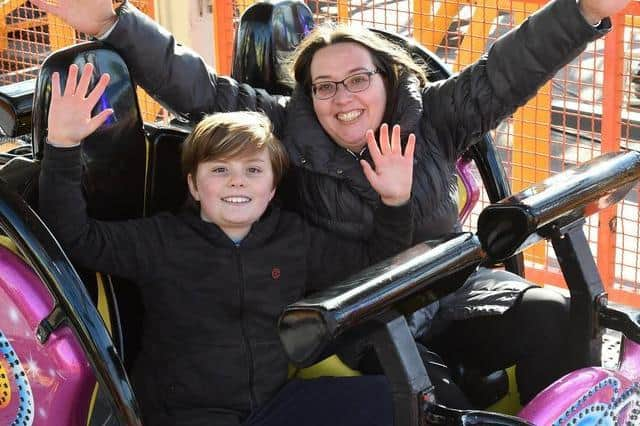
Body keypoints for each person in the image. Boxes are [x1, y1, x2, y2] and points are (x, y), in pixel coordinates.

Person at [32, 0, 631, 408]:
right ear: (307, 94)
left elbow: (510, 68)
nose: (342, 99)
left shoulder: (437, 117)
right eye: (324, 86)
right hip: (361, 313)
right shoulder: (290, 130)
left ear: (387, 79)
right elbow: (196, 87)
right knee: (428, 391)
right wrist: (112, 20)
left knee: (554, 314)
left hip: (448, 289)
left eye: (357, 79)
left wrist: (582, 13)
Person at [38, 63, 417, 426]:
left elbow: (376, 263)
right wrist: (62, 146)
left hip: (271, 405)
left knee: (392, 398)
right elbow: (75, 237)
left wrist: (395, 202)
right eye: (220, 170)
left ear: (271, 189)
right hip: (187, 415)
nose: (238, 182)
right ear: (193, 186)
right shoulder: (162, 240)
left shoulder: (292, 238)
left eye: (253, 171)